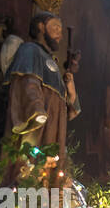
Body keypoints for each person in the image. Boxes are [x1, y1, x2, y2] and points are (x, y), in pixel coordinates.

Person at [5, 12, 80, 185]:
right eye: (55, 26)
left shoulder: (51, 61)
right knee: (27, 169)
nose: (60, 33)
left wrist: (71, 92)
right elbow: (27, 82)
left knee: (47, 176)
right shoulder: (30, 50)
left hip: (53, 132)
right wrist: (36, 110)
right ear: (40, 27)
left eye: (61, 29)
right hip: (36, 126)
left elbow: (65, 110)